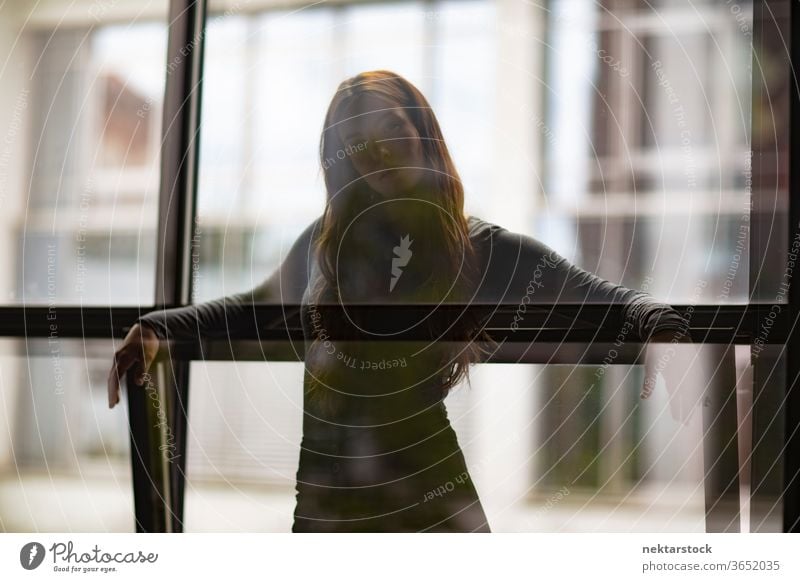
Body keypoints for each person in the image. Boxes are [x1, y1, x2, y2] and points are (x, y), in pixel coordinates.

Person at [107, 70, 691, 532]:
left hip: (428, 510)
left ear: (423, 136)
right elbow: (249, 309)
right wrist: (159, 327)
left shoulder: (475, 248)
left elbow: (599, 297)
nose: (377, 152)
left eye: (391, 130)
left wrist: (659, 326)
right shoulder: (324, 246)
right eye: (356, 141)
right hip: (325, 510)